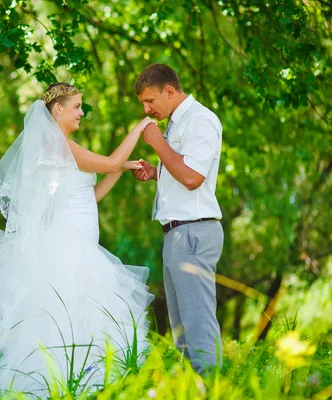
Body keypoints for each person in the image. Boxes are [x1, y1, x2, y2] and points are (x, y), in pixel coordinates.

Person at [0, 83, 154, 397]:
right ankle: (50, 387)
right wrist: (139, 127)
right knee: (62, 318)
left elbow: (91, 196)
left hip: (82, 245)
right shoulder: (57, 146)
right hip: (67, 246)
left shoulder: (65, 146)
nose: (81, 112)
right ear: (57, 109)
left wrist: (121, 169)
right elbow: (107, 162)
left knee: (84, 317)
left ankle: (82, 385)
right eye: (76, 106)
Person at [131, 63, 224, 375]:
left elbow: (192, 178)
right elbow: (179, 172)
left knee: (198, 324)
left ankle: (213, 392)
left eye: (150, 101)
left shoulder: (202, 120)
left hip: (193, 233)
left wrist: (157, 142)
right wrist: (156, 173)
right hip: (176, 234)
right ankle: (193, 391)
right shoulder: (175, 123)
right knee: (182, 331)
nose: (146, 109)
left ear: (169, 90)